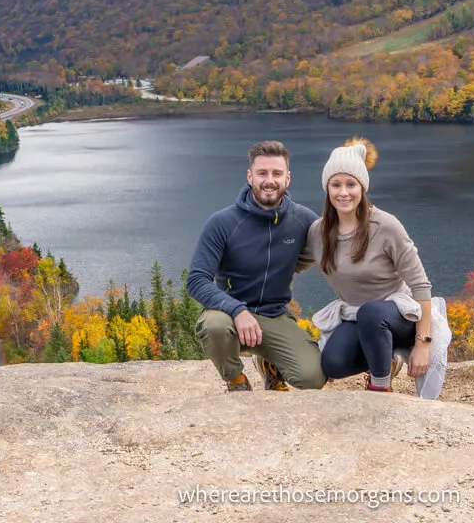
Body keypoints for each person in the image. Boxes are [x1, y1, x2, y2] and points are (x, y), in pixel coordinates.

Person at [187, 140, 325, 392]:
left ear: (288, 178)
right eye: (262, 173)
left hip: (274, 314)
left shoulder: (302, 219)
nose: (269, 180)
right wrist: (237, 311)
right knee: (213, 327)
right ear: (250, 176)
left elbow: (338, 246)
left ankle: (269, 366)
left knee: (312, 378)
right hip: (228, 315)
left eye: (276, 173)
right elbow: (196, 280)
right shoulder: (222, 222)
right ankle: (236, 380)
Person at [306, 137, 440, 393]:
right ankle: (387, 360)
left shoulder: (386, 226)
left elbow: (421, 286)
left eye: (350, 184)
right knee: (333, 364)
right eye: (336, 185)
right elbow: (295, 262)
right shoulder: (319, 232)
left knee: (372, 313)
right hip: (357, 316)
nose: (343, 192)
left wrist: (423, 344)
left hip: (400, 316)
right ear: (327, 188)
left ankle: (380, 386)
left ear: (362, 187)